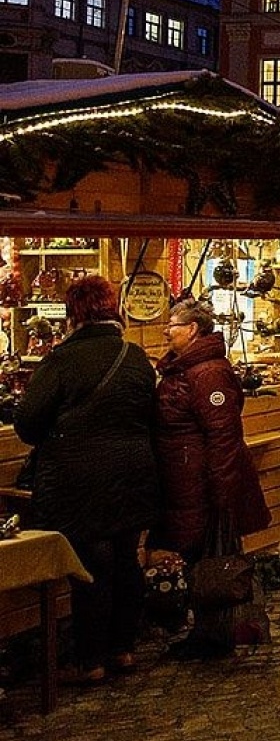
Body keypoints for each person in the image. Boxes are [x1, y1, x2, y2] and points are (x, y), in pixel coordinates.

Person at [15, 275, 159, 683]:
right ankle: (124, 650)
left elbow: (27, 422)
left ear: (74, 314)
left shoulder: (62, 360)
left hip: (81, 480)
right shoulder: (134, 357)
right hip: (133, 473)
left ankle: (91, 661)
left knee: (92, 566)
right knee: (126, 560)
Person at [152, 295, 273, 656]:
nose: (165, 331)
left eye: (172, 326)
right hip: (188, 480)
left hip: (202, 483)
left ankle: (215, 634)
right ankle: (211, 631)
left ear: (191, 330)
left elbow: (223, 436)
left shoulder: (208, 372)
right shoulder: (186, 368)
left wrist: (222, 489)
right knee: (198, 559)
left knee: (211, 561)